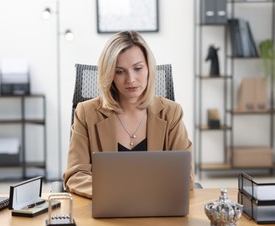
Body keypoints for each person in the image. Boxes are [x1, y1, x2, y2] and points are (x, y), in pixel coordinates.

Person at [63, 31, 194, 198]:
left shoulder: (171, 113)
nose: (131, 79)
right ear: (109, 75)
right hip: (108, 209)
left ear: (149, 69)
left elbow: (185, 177)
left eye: (138, 68)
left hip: (156, 212)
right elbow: (75, 175)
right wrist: (118, 193)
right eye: (120, 71)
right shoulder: (86, 113)